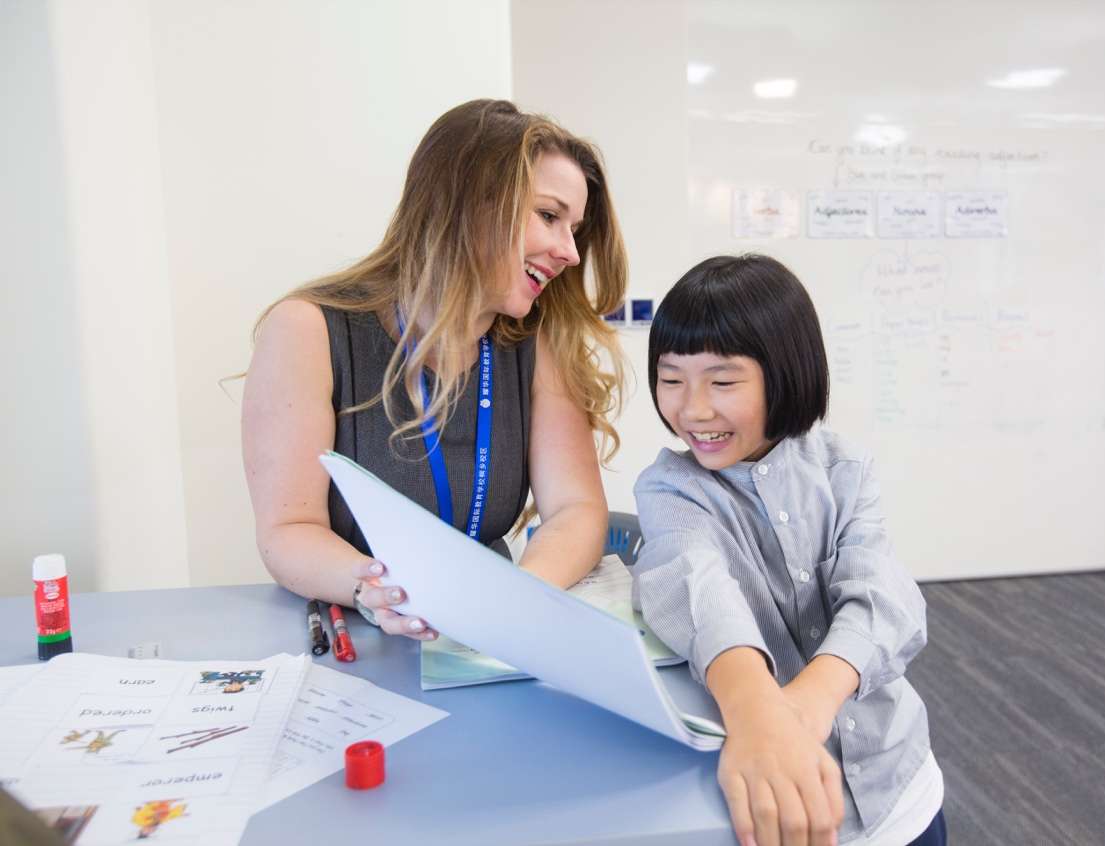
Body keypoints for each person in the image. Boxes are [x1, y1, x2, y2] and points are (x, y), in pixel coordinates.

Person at [242, 99, 627, 637]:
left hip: (486, 638)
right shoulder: (308, 329)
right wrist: (376, 591)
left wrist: (517, 597)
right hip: (365, 630)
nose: (570, 253)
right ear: (467, 204)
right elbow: (288, 529)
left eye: (575, 228)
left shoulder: (538, 343)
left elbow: (576, 510)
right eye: (548, 216)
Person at [631, 255, 945, 846]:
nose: (692, 408)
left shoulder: (844, 467)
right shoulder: (670, 489)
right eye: (671, 380)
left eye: (722, 382)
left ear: (784, 373)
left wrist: (801, 707)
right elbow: (696, 588)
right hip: (781, 810)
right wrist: (757, 712)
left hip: (901, 787)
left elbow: (884, 598)